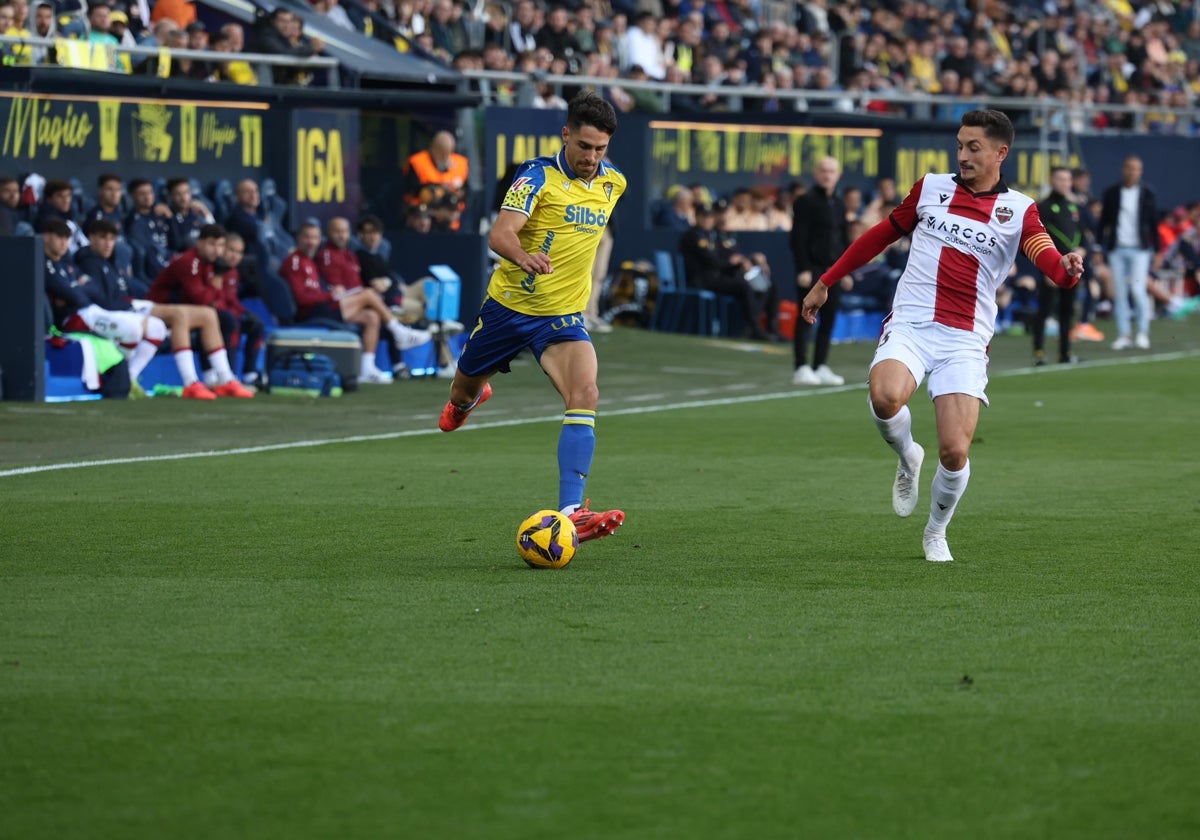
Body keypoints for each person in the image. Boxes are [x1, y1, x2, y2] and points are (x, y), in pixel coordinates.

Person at [800, 110, 1083, 563]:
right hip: (912, 322)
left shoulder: (1020, 210)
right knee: (885, 398)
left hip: (965, 338)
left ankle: (935, 531)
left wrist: (1067, 271)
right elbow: (879, 235)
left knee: (954, 450)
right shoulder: (931, 188)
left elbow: (1046, 257)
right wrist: (827, 280)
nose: (964, 155)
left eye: (974, 147)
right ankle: (908, 453)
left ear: (1000, 153)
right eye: (960, 145)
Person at [438, 90, 627, 545]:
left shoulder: (613, 183)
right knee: (461, 393)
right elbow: (500, 234)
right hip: (509, 310)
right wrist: (523, 257)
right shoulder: (535, 175)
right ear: (566, 135)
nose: (591, 157)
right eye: (584, 146)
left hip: (561, 316)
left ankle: (571, 512)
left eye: (600, 149)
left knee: (585, 392)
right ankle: (468, 400)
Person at [280, 221, 431, 384]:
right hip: (313, 311)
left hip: (326, 306)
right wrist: (329, 295)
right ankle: (399, 331)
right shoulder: (295, 261)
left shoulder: (314, 260)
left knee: (372, 316)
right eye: (307, 237)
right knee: (368, 294)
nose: (311, 242)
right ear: (298, 238)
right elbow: (302, 299)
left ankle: (367, 368)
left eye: (315, 238)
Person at [790, 156, 851, 386]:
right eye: (823, 170)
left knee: (829, 318)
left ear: (838, 174)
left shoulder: (839, 203)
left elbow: (843, 237)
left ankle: (820, 365)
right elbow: (798, 238)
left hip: (834, 269)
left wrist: (846, 270)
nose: (827, 175)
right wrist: (803, 268)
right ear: (816, 173)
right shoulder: (805, 201)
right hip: (812, 268)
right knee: (806, 317)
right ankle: (801, 366)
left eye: (831, 171)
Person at [1098, 155, 1159, 350]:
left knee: (1138, 290)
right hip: (1117, 248)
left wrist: (1157, 250)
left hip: (1140, 249)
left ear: (1140, 171)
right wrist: (1099, 247)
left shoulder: (1147, 193)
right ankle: (1124, 334)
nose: (1132, 172)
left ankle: (1142, 332)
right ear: (1123, 170)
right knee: (1120, 293)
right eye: (1129, 168)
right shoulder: (1112, 193)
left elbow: (1153, 223)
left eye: (1136, 169)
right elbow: (1104, 222)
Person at [1032, 166, 1084, 365]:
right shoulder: (1043, 207)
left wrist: (1082, 249)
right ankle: (1039, 352)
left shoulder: (1073, 207)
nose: (1064, 183)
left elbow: (1082, 233)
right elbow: (1039, 238)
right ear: (1052, 181)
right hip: (1051, 267)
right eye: (1060, 179)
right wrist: (1046, 268)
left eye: (1067, 180)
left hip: (1072, 268)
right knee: (1044, 310)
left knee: (1067, 311)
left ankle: (1065, 352)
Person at [403, 131, 469, 231]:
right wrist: (438, 189)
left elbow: (467, 192)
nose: (444, 157)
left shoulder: (460, 163)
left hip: (453, 223)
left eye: (447, 153)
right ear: (433, 148)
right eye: (441, 152)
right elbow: (413, 192)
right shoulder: (418, 162)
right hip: (423, 222)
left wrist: (458, 194)